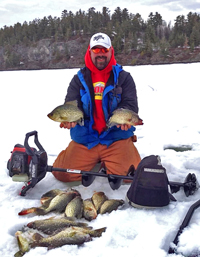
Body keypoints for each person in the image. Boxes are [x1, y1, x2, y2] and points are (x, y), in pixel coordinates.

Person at [52, 32, 141, 182]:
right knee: (63, 174)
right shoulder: (78, 79)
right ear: (89, 51)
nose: (100, 54)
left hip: (115, 138)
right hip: (86, 140)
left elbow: (130, 104)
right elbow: (72, 105)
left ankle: (108, 161)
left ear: (111, 51)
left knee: (129, 177)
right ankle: (86, 158)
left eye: (104, 50)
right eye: (96, 50)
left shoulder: (124, 78)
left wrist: (125, 119)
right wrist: (70, 120)